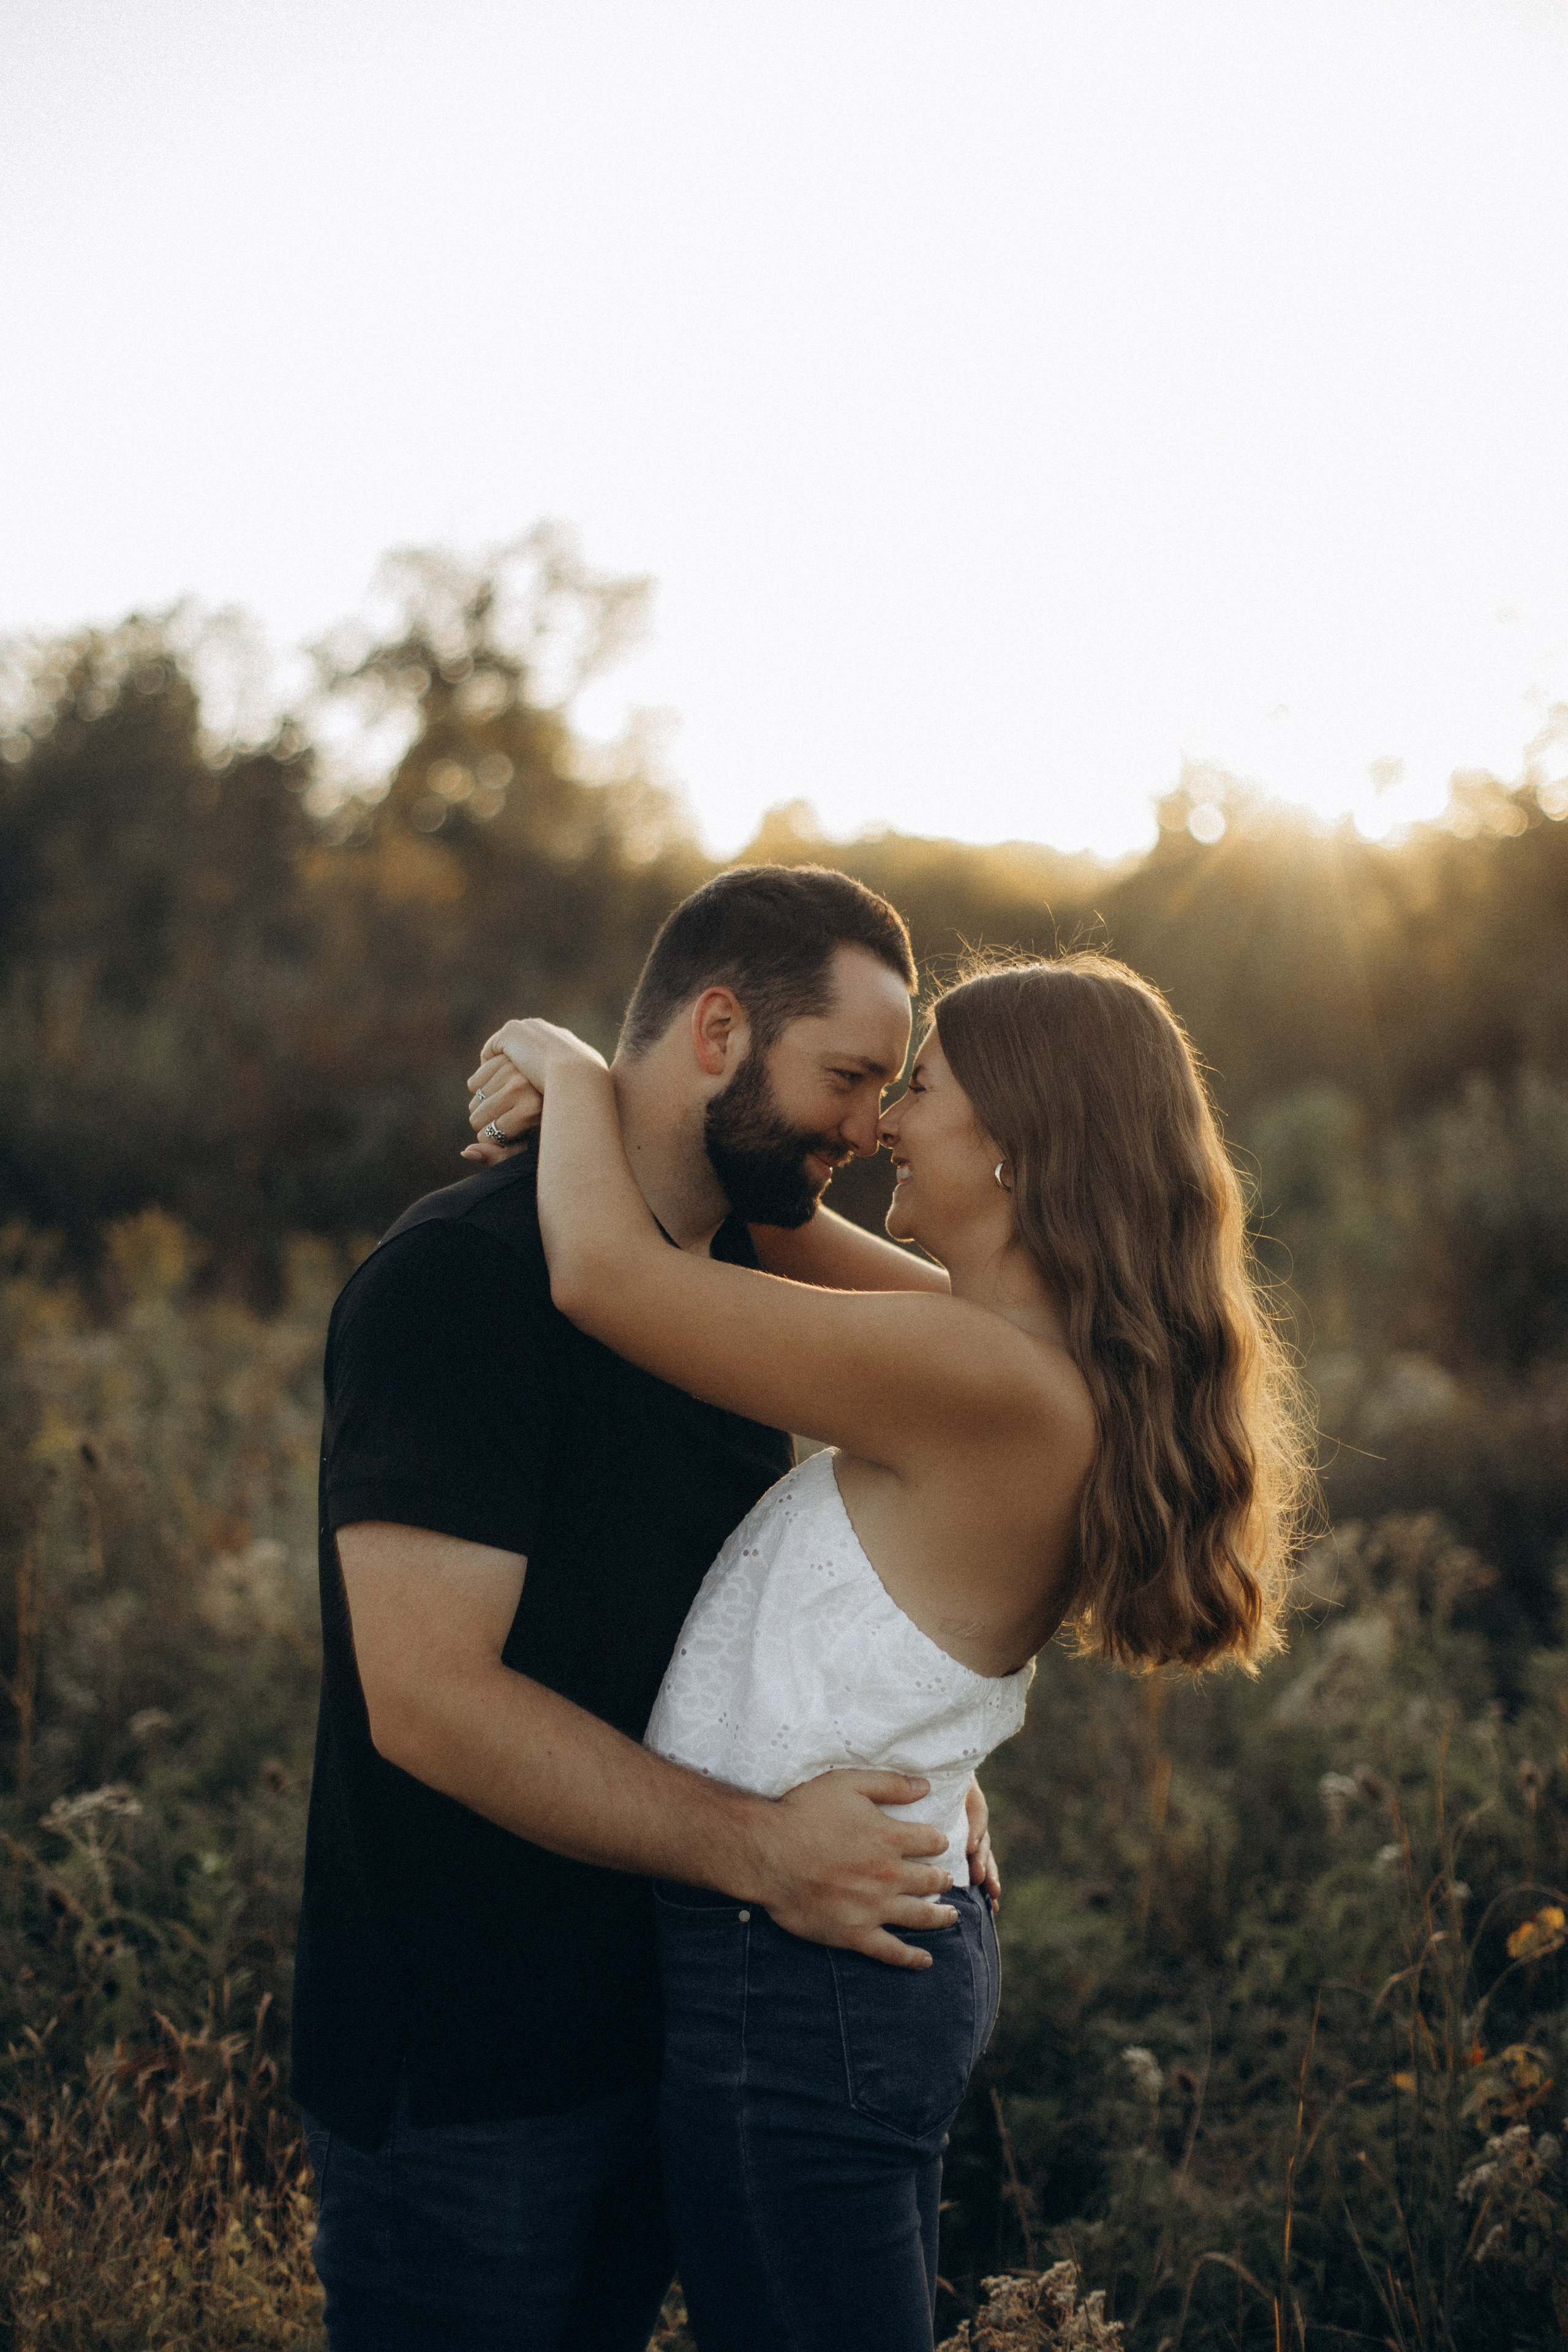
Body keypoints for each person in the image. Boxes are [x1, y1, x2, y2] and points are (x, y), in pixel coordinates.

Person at [466, 951, 1311, 2352]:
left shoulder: (980, 1376)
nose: (880, 1125)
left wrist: (571, 1070)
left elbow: (606, 1278)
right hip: (817, 1958)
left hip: (802, 1987)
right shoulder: (999, 1342)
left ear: (1017, 1151)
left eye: (916, 1090)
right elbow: (780, 1221)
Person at [293, 864, 1001, 2352]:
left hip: (674, 2021)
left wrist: (927, 1751)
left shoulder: (734, 1270)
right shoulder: (456, 1285)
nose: (870, 1128)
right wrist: (764, 1854)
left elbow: (981, 1369)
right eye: (850, 1077)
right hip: (476, 2072)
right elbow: (425, 1703)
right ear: (721, 1029)